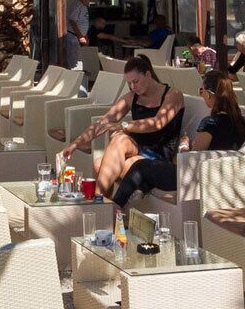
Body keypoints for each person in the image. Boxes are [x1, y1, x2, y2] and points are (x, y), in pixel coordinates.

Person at [106, 68, 245, 208]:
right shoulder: (242, 122)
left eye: (201, 90)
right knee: (149, 170)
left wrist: (184, 146)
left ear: (210, 94)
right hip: (222, 176)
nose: (201, 94)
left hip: (194, 178)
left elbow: (192, 160)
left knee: (140, 166)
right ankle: (140, 190)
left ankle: (114, 208)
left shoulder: (210, 123)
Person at [57, 54, 184, 201]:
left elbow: (157, 123)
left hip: (159, 157)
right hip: (138, 148)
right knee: (114, 145)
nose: (132, 87)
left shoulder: (173, 94)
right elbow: (103, 122)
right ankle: (102, 206)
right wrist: (75, 144)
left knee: (104, 161)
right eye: (129, 83)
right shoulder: (132, 97)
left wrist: (123, 125)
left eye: (135, 81)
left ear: (148, 75)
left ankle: (97, 203)